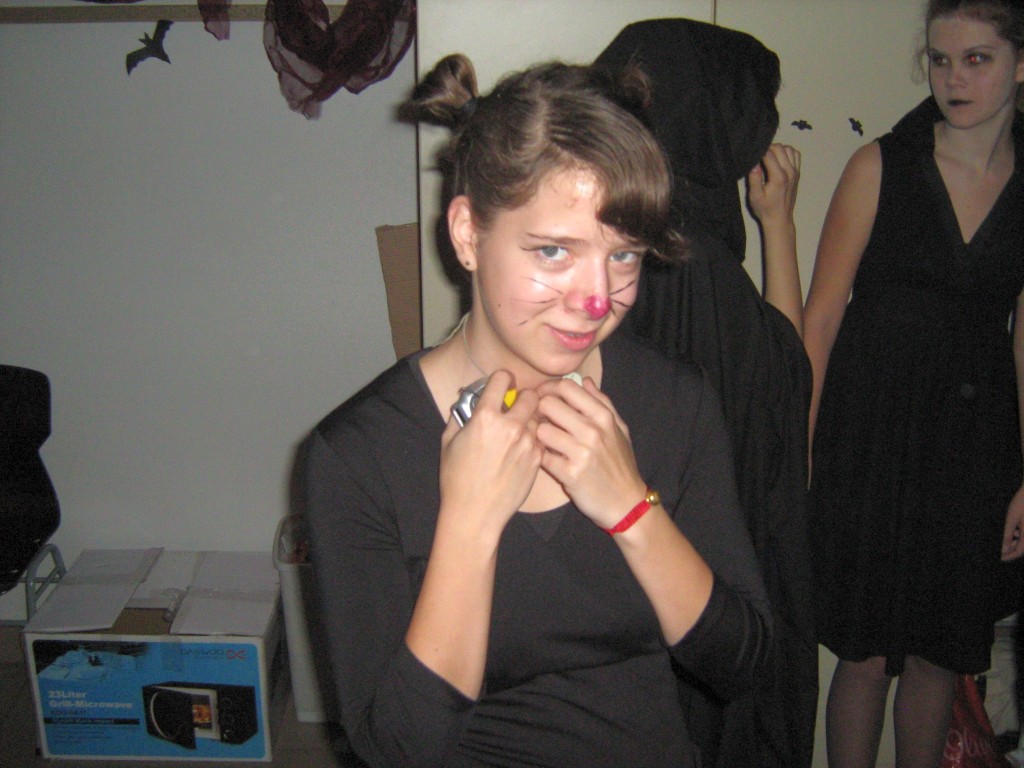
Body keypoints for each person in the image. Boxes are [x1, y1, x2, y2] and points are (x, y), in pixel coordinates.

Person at [304, 53, 772, 768]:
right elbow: (398, 750)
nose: (597, 300)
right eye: (554, 251)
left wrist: (633, 512)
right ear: (468, 234)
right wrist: (468, 521)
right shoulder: (359, 455)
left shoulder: (676, 402)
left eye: (624, 256)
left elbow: (741, 665)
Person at [802, 2, 1024, 766]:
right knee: (864, 656)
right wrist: (804, 447)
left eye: (977, 59)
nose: (953, 78)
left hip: (973, 446)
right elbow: (820, 318)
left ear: (1021, 64)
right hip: (870, 435)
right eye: (940, 59)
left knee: (939, 656)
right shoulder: (880, 166)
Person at [596, 20, 815, 768]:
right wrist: (779, 224)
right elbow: (785, 379)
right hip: (697, 598)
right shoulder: (703, 263)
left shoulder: (608, 237)